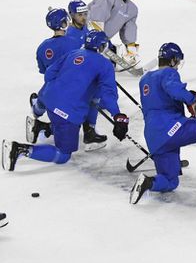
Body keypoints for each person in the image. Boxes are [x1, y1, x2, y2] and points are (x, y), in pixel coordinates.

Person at [3, 31, 128, 172]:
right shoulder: (105, 64)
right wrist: (117, 116)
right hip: (66, 111)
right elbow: (108, 94)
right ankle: (19, 149)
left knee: (67, 121)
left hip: (47, 98)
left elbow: (49, 74)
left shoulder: (74, 53)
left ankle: (40, 126)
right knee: (63, 155)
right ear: (102, 46)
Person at [129, 43, 196, 204]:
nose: (177, 66)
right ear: (172, 60)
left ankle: (148, 182)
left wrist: (186, 101)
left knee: (170, 182)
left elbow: (163, 98)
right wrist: (193, 101)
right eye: (177, 62)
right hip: (172, 130)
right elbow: (174, 89)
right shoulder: (168, 73)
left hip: (154, 138)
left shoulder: (145, 79)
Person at [27, 9, 92, 145]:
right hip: (71, 91)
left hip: (50, 89)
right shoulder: (74, 43)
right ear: (64, 23)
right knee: (80, 110)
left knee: (46, 93)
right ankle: (88, 133)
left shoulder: (42, 47)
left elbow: (44, 71)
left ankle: (37, 109)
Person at [89, 0, 140, 67]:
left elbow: (129, 29)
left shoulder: (132, 9)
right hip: (87, 34)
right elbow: (97, 15)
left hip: (104, 40)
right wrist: (96, 35)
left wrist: (131, 49)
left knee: (111, 63)